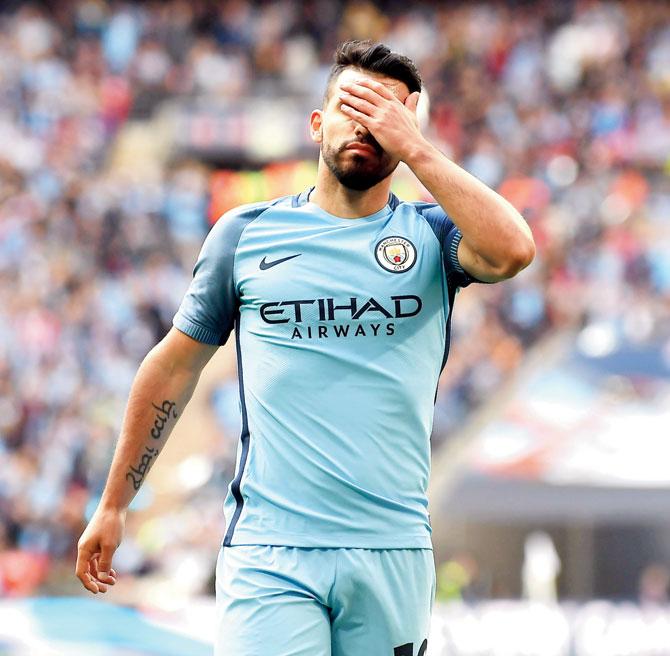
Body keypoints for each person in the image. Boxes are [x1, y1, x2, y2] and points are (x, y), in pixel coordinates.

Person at [76, 40, 535, 655]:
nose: (369, 123)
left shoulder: (432, 236)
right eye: (354, 105)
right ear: (317, 123)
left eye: (388, 113)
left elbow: (514, 251)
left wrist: (419, 149)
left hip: (392, 548)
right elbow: (173, 368)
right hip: (271, 550)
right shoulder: (246, 234)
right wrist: (113, 504)